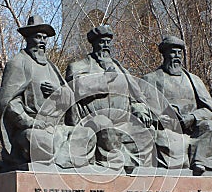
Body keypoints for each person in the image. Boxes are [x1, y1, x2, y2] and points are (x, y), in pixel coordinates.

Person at [0, 15, 95, 172]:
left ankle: (60, 162)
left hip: (57, 129)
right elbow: (8, 102)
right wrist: (29, 122)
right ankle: (62, 159)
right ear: (28, 38)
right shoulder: (17, 63)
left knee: (88, 135)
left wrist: (59, 93)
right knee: (36, 141)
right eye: (37, 37)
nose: (42, 41)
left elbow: (69, 101)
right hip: (31, 129)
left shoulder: (51, 67)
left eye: (44, 38)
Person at [65, 25, 153, 171]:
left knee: (144, 134)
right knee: (105, 125)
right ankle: (112, 170)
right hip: (93, 121)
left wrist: (140, 109)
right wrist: (105, 78)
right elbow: (79, 88)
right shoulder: (78, 67)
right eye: (101, 42)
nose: (105, 46)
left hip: (124, 123)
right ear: (93, 44)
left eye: (107, 42)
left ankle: (139, 178)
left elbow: (135, 98)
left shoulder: (121, 70)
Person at [142, 36, 212, 175]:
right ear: (164, 54)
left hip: (192, 129)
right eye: (173, 52)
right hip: (166, 128)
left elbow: (210, 110)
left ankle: (199, 162)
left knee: (211, 126)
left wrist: (192, 117)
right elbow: (139, 105)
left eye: (179, 52)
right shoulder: (151, 79)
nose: (176, 56)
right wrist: (157, 119)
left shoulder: (194, 80)